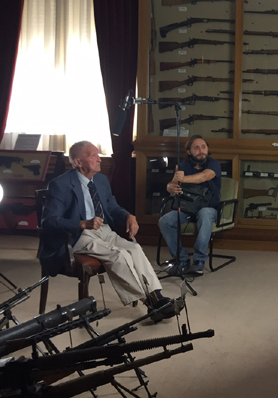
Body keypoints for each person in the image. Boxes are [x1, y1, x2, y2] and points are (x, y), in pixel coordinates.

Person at [41, 141, 177, 322]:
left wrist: (129, 216)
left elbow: (112, 207)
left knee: (135, 249)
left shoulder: (101, 180)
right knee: (118, 255)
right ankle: (151, 303)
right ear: (78, 162)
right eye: (93, 156)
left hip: (104, 230)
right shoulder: (60, 184)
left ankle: (157, 296)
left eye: (98, 155)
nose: (99, 159)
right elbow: (49, 220)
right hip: (79, 235)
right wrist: (82, 224)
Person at [158, 135, 221, 276]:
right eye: (196, 148)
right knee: (165, 221)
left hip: (209, 208)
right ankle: (182, 260)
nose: (201, 151)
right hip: (187, 208)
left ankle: (199, 260)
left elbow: (204, 176)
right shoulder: (182, 166)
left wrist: (183, 179)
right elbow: (172, 183)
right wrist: (170, 188)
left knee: (205, 214)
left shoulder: (214, 164)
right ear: (189, 151)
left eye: (204, 147)